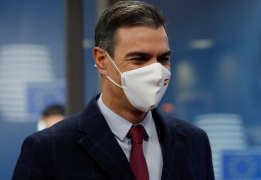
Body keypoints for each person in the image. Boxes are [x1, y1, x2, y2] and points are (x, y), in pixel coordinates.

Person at [12, 1, 214, 179]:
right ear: (102, 61)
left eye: (163, 59)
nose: (156, 71)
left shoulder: (194, 142)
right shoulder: (50, 149)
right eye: (139, 59)